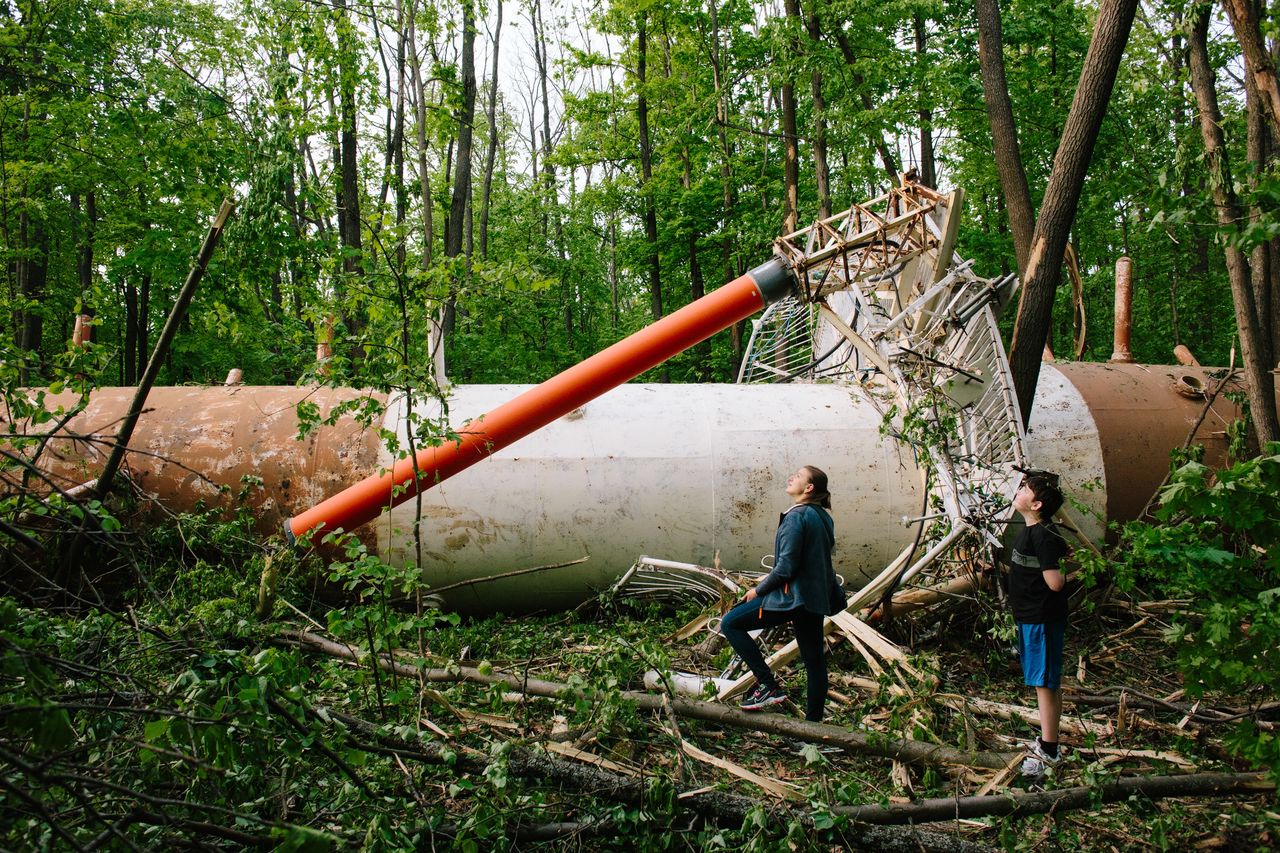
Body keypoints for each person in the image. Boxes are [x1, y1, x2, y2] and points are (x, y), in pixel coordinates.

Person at [720, 465, 844, 722]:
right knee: (814, 662)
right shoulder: (822, 516)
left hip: (792, 598)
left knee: (731, 623)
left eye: (798, 476)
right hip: (814, 599)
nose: (791, 478)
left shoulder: (796, 517)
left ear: (809, 488)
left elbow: (786, 568)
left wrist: (758, 590)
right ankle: (813, 728)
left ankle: (767, 685)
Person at [1007, 470, 1070, 783]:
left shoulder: (1044, 536)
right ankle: (1050, 742)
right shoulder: (1032, 530)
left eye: (1025, 489)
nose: (1019, 491)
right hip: (1031, 617)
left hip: (1041, 620)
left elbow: (1055, 582)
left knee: (1043, 683)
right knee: (1046, 681)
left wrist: (1064, 576)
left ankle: (1049, 749)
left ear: (1037, 504)